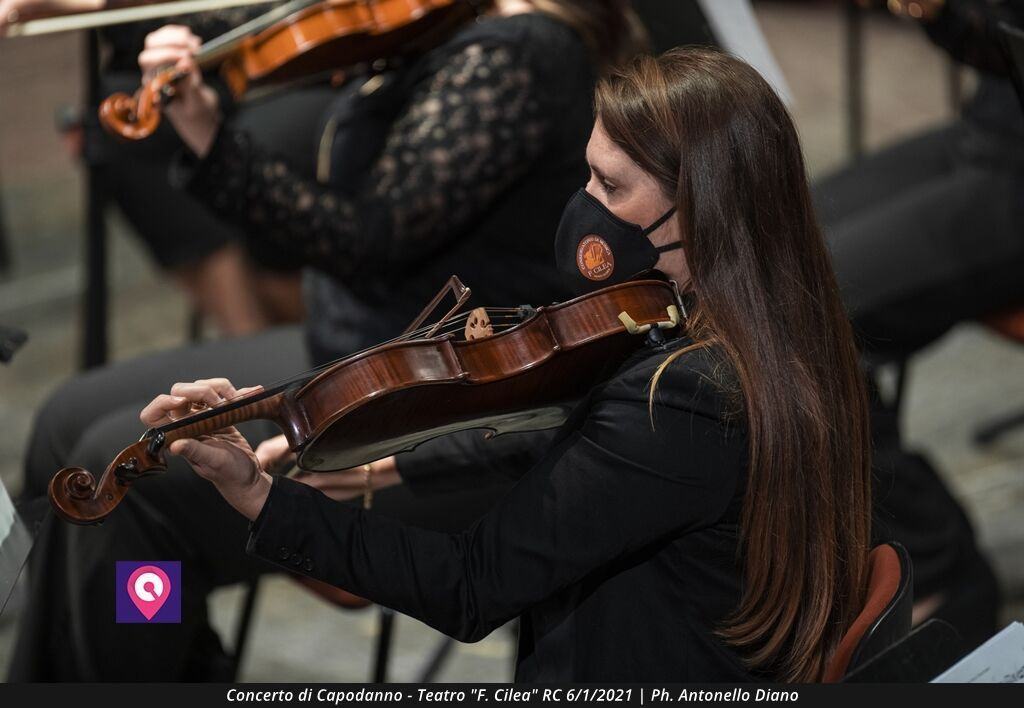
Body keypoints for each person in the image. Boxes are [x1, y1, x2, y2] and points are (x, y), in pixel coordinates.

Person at [140, 48, 875, 682]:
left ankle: (128, 646)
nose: (583, 205)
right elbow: (582, 435)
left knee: (140, 523)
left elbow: (470, 586)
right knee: (104, 480)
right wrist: (384, 466)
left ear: (701, 212)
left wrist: (255, 496)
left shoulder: (679, 399)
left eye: (610, 186)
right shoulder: (776, 320)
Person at [9, 0, 645, 681]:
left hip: (449, 409)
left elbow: (365, 239)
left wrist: (210, 139)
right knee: (64, 425)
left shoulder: (517, 54)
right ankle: (157, 662)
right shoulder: (449, 13)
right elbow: (240, 28)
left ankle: (126, 666)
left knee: (129, 482)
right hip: (358, 353)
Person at [814, 0, 1024, 648]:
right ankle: (851, 539)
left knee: (807, 324)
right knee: (768, 259)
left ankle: (936, 572)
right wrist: (945, 15)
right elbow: (1000, 55)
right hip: (993, 139)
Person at [1, 0, 305, 333]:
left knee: (259, 137)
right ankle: (247, 326)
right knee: (119, 128)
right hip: (170, 58)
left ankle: (268, 326)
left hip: (282, 45)